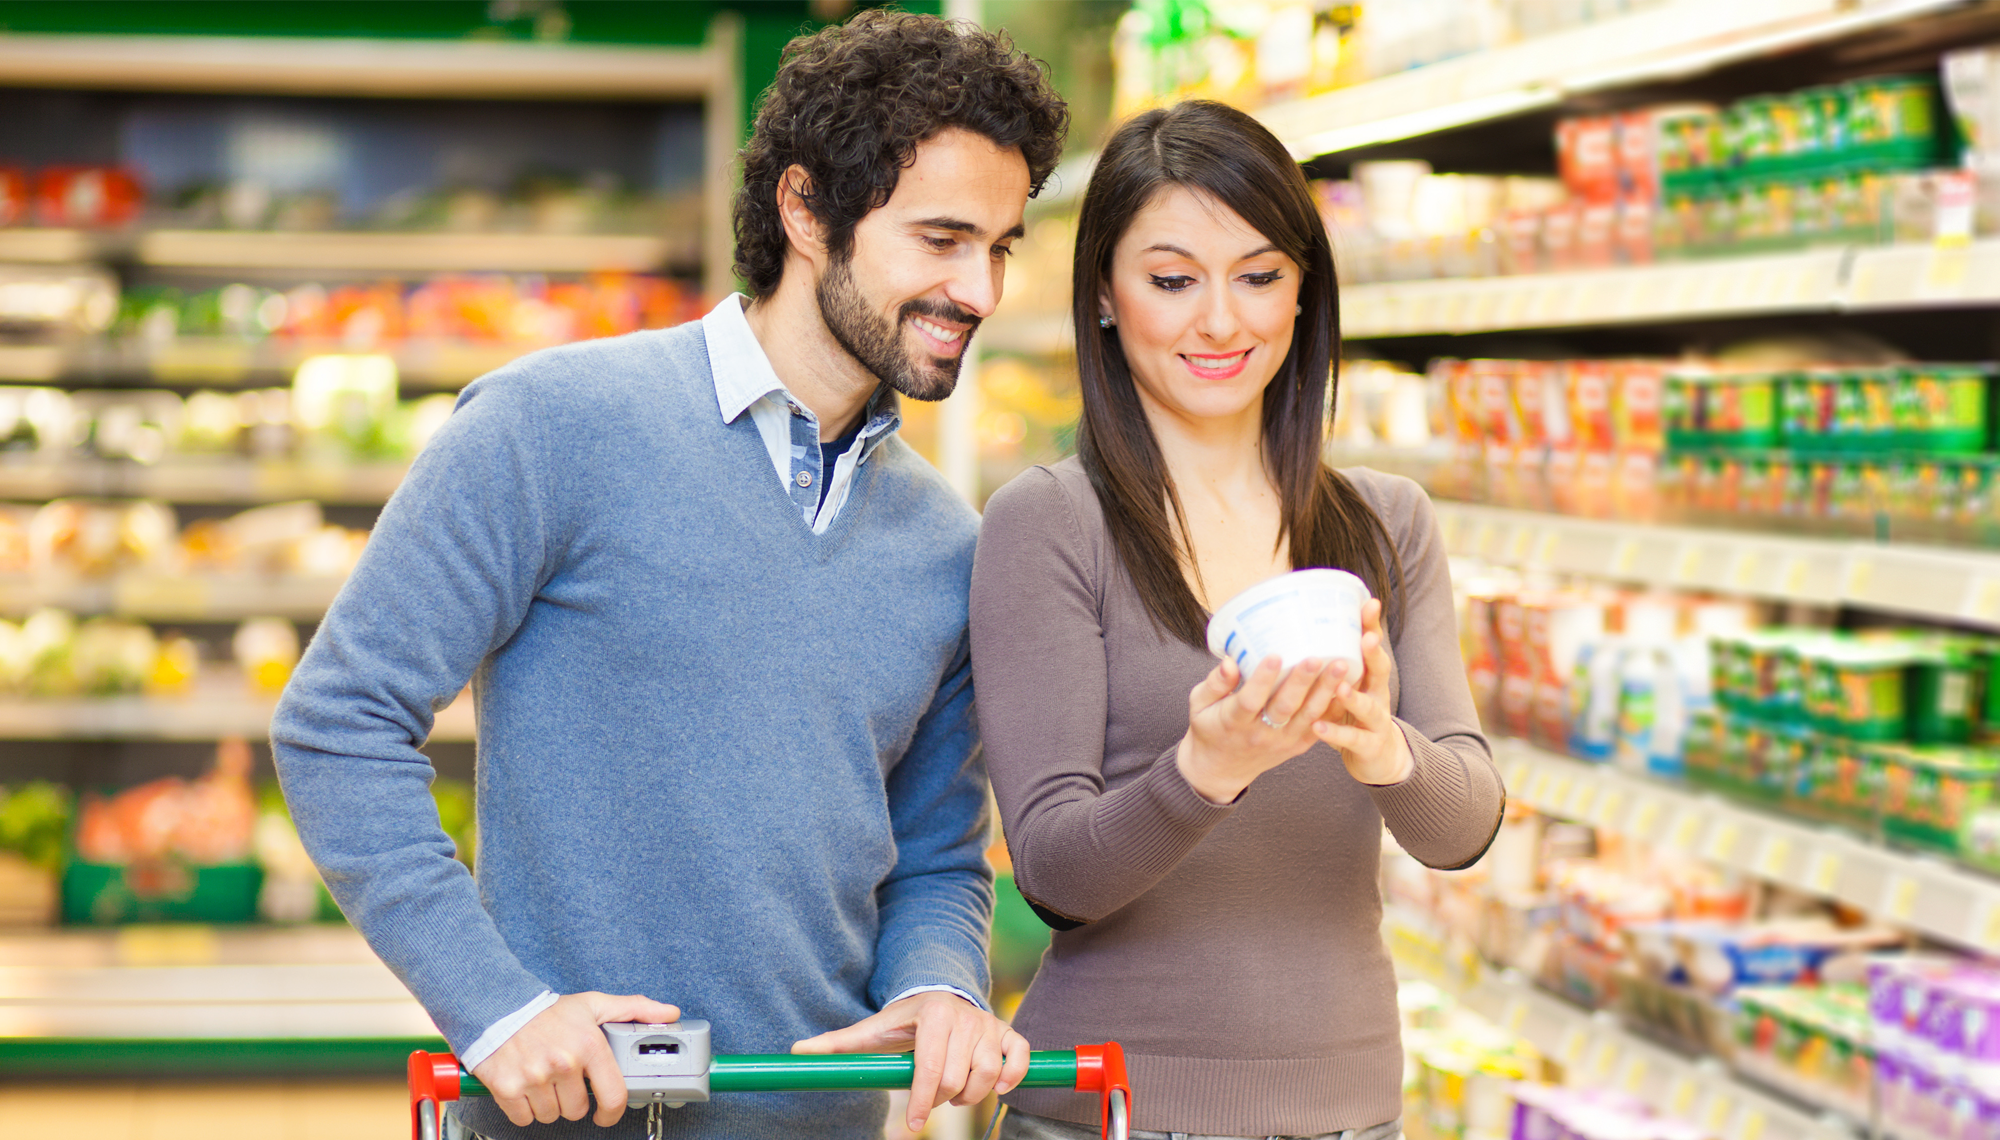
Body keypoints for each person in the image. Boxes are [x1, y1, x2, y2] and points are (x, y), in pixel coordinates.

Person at [271, 13, 1067, 1139]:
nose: (979, 289)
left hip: (817, 1124)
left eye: (999, 247)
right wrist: (497, 1010)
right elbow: (337, 722)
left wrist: (937, 985)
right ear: (804, 209)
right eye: (939, 239)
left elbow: (934, 856)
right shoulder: (550, 425)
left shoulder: (946, 545)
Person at [969, 99, 1505, 1140]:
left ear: (1303, 292)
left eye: (1257, 276)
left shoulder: (1385, 523)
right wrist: (1201, 771)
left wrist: (1382, 747)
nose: (1221, 321)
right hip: (1109, 1111)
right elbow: (1053, 874)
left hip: (1350, 1112)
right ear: (1106, 299)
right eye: (1172, 281)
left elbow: (1464, 827)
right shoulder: (1048, 523)